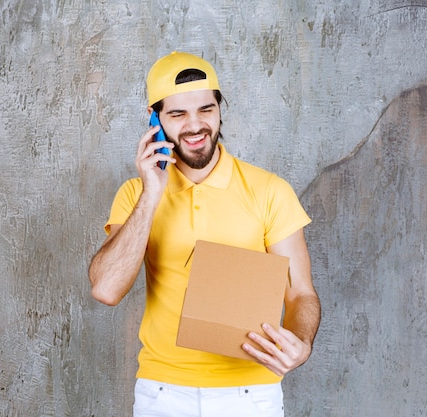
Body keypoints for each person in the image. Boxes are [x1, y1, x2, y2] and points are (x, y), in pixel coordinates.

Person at [89, 51, 320, 417]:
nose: (195, 125)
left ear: (219, 108)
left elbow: (300, 294)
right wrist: (152, 192)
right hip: (163, 391)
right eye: (177, 114)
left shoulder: (270, 191)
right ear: (155, 121)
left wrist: (301, 342)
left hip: (251, 393)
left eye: (205, 110)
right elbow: (106, 289)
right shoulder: (135, 195)